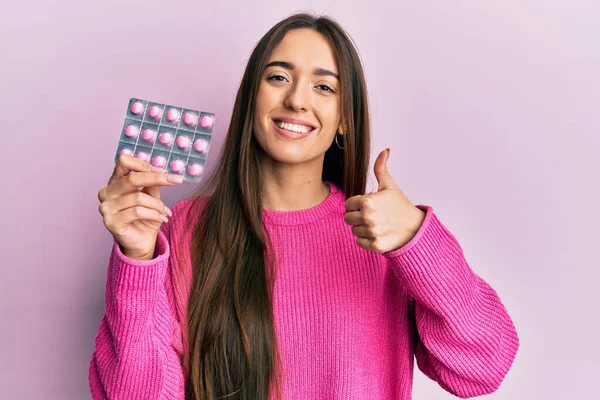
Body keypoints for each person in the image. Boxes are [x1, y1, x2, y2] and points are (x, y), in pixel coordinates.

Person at [90, 13, 519, 400]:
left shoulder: (382, 234)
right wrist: (137, 259)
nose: (297, 100)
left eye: (324, 86)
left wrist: (417, 243)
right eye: (278, 78)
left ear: (345, 118)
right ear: (250, 97)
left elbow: (483, 368)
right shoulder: (184, 229)